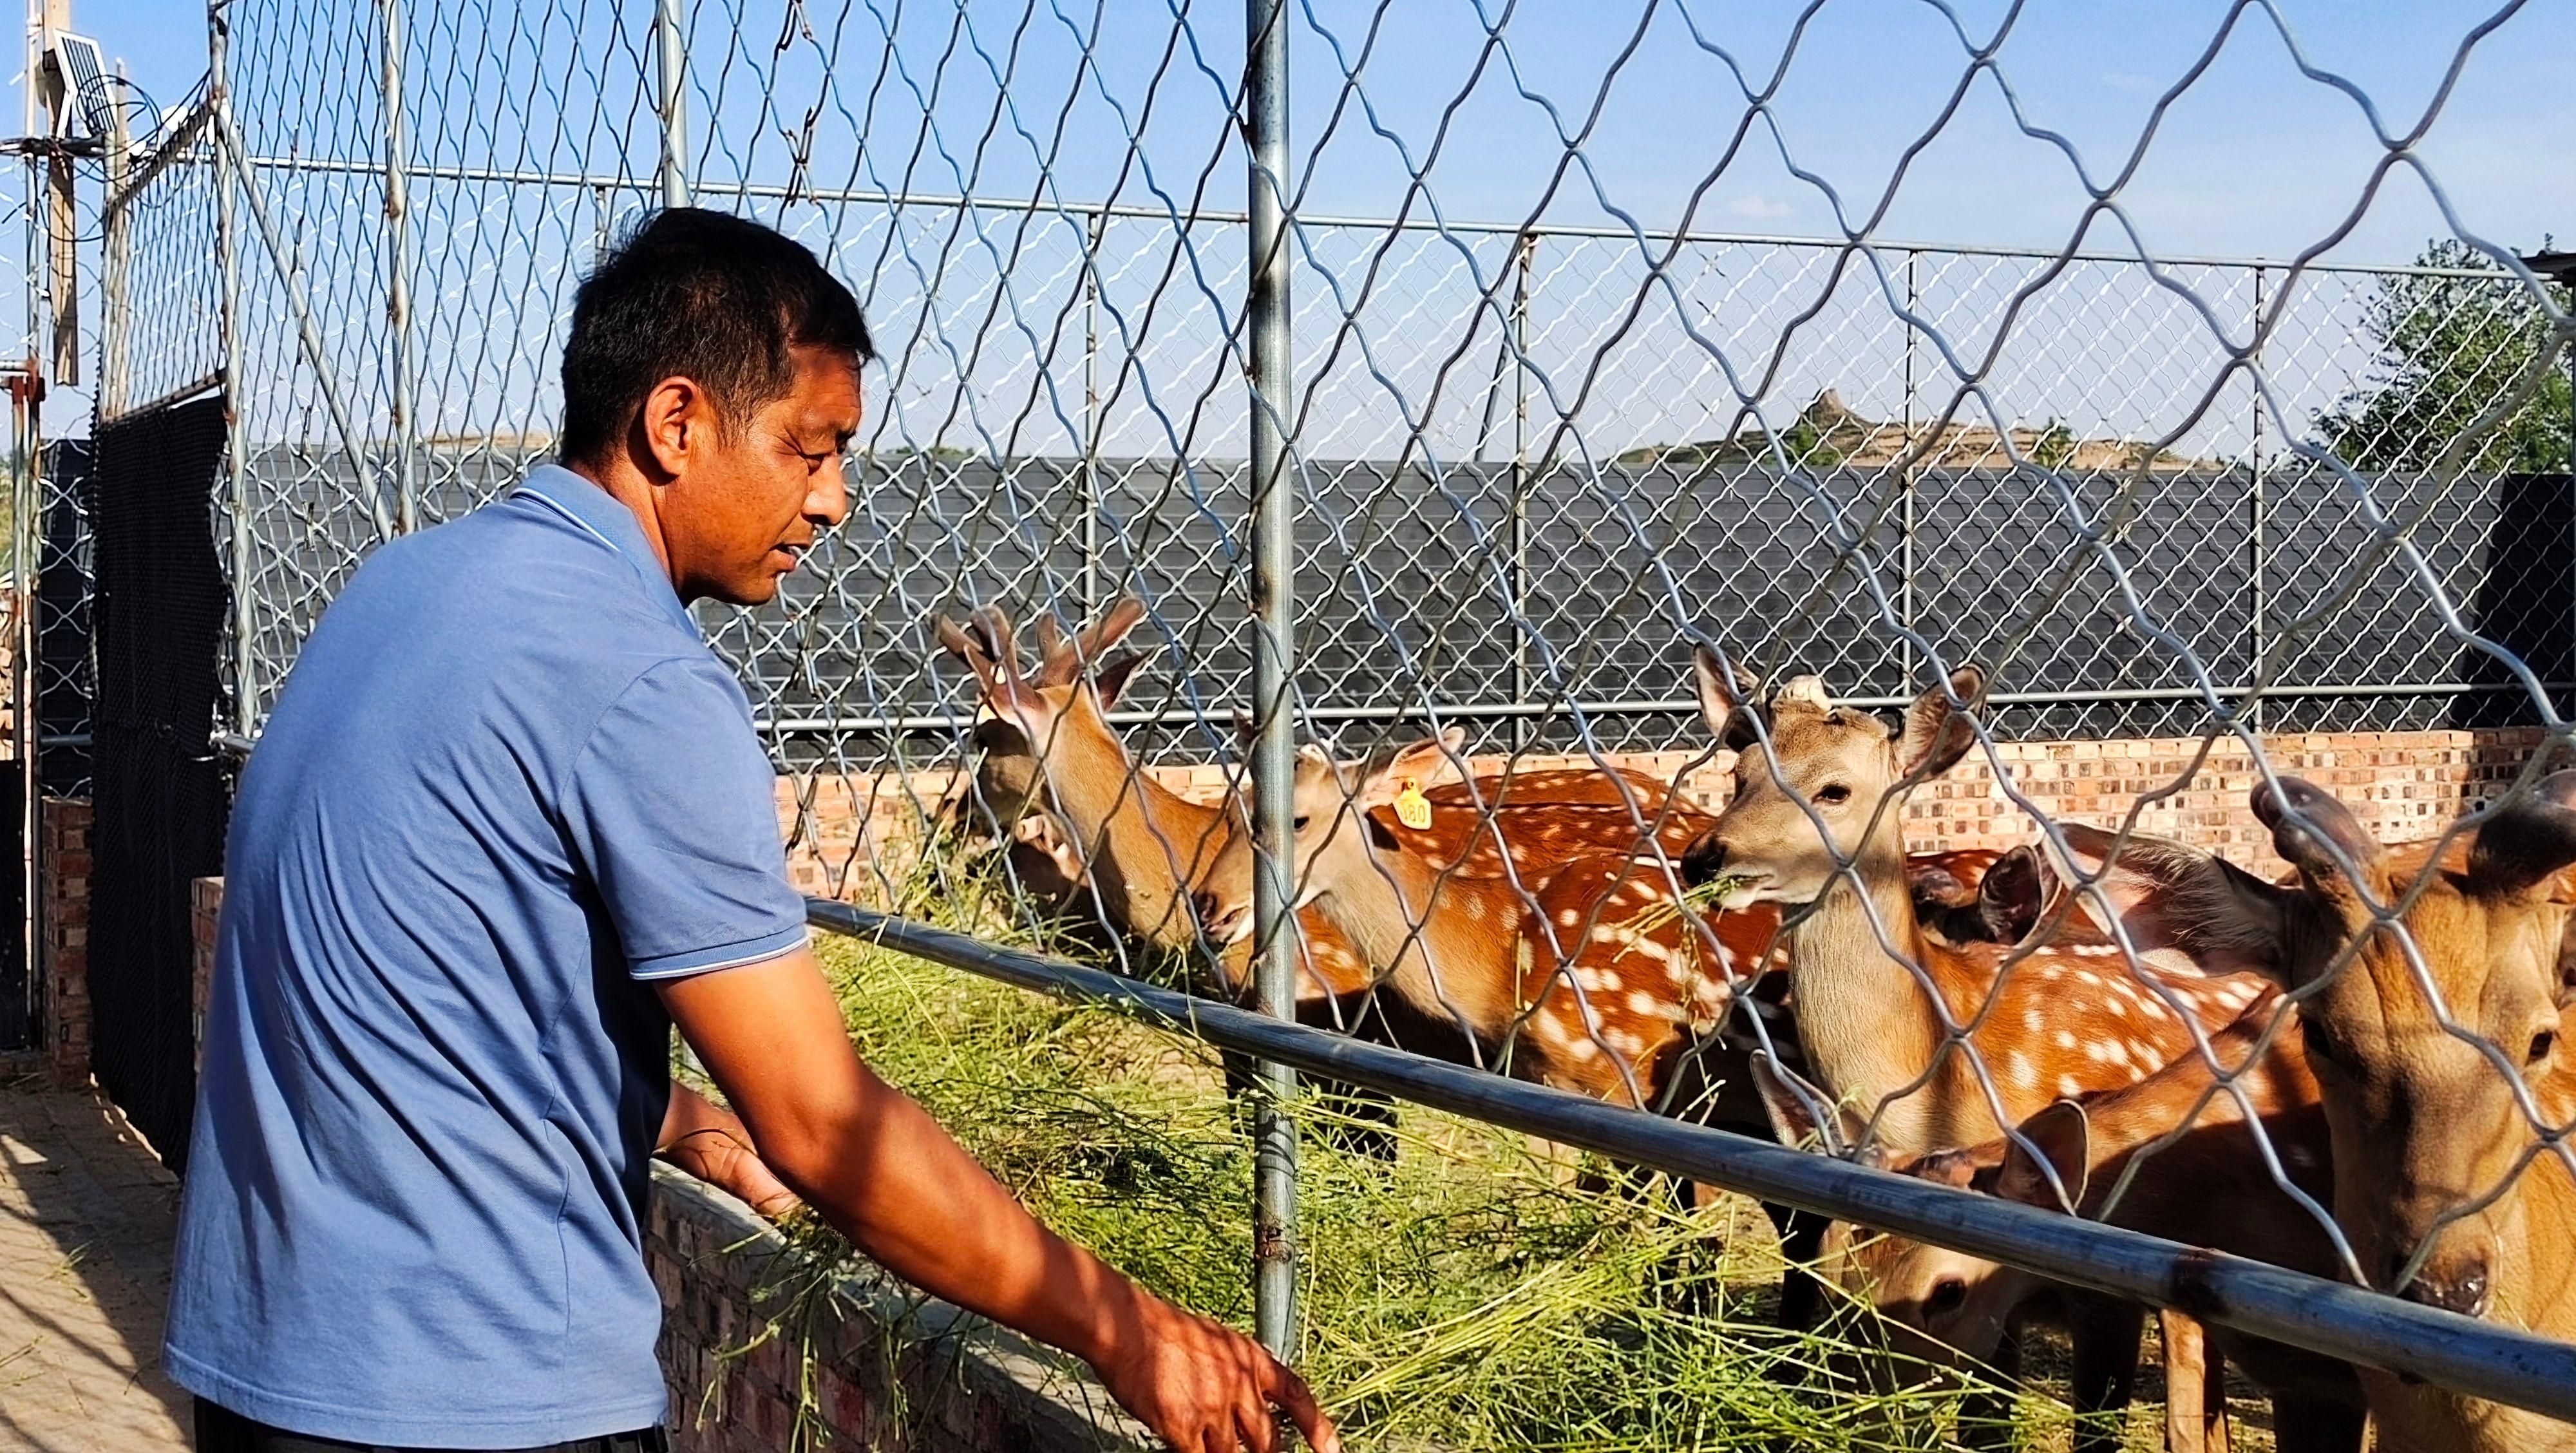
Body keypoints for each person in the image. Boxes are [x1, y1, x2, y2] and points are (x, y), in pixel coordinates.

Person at [164, 208, 1339, 1453]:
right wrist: (1130, 1331)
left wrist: (665, 1116)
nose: (834, 501)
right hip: (473, 1394)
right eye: (811, 446)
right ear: (676, 425)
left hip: (258, 1362)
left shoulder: (399, 586)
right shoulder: (638, 678)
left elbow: (401, 984)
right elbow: (825, 1126)